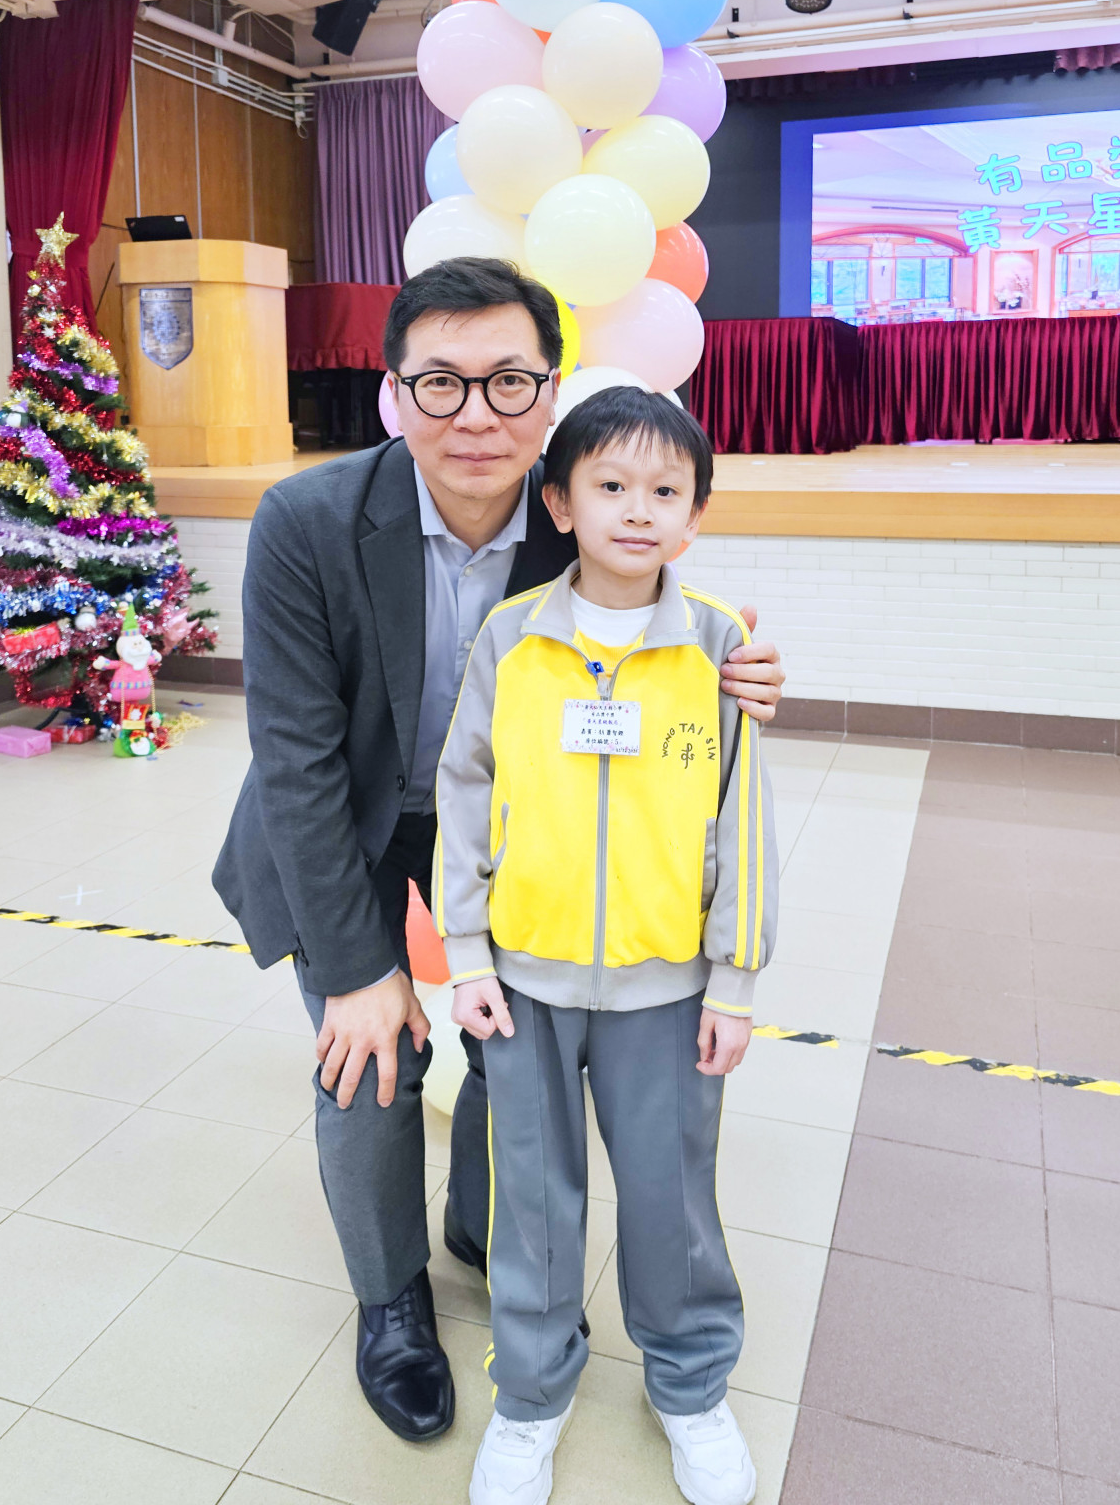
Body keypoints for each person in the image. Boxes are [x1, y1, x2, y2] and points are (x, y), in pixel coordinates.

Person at [212, 259, 786, 1445]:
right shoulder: (307, 522)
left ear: (551, 390)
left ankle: (480, 1222)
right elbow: (297, 761)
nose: (476, 414)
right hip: (344, 818)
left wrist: (731, 661)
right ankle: (392, 1302)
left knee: (506, 1039)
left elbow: (654, 613)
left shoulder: (573, 511)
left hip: (511, 823)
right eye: (441, 382)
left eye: (509, 381)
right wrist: (362, 973)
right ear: (393, 393)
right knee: (370, 1057)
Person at [435, 386, 778, 1505]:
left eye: (666, 491)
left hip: (666, 988)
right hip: (524, 982)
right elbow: (464, 795)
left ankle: (690, 1386)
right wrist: (468, 953)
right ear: (561, 502)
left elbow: (744, 818)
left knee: (673, 1198)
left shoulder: (720, 644)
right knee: (533, 1201)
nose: (639, 510)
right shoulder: (511, 636)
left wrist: (733, 980)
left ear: (696, 515)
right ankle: (532, 1398)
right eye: (612, 485)